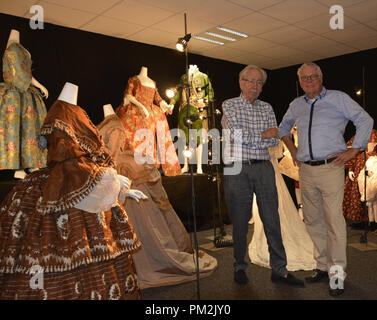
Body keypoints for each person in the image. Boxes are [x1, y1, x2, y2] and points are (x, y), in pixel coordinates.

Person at [0, 83, 144, 300]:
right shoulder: (62, 112)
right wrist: (108, 178)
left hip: (74, 177)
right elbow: (65, 154)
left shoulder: (70, 110)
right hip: (64, 180)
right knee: (57, 248)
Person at [278, 62, 374, 297]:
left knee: (334, 223)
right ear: (299, 81)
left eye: (313, 76)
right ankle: (322, 266)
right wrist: (292, 150)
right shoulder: (296, 104)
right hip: (306, 171)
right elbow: (283, 127)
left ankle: (337, 275)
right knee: (313, 221)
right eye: (304, 78)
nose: (309, 81)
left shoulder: (338, 98)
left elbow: (365, 120)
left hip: (331, 168)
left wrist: (354, 150)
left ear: (321, 78)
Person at [97, 104, 217, 289]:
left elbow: (112, 149)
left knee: (140, 223)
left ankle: (142, 262)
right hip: (114, 171)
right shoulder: (112, 118)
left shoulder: (112, 120)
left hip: (118, 169)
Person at [221, 64, 304, 287]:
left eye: (259, 83)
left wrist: (260, 136)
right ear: (241, 82)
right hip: (236, 167)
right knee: (239, 220)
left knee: (272, 219)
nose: (255, 86)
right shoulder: (229, 105)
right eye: (250, 81)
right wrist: (262, 135)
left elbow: (274, 139)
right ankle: (239, 266)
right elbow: (236, 136)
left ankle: (280, 270)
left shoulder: (267, 107)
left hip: (264, 166)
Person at [248, 142, 316, 272]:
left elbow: (277, 152)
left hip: (264, 168)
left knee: (271, 205)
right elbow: (278, 152)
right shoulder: (271, 129)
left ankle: (272, 242)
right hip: (268, 168)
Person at [0, 29, 49, 179]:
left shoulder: (18, 48)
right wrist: (38, 86)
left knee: (28, 130)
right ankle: (19, 168)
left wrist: (38, 86)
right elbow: (20, 74)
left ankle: (29, 164)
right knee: (17, 130)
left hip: (23, 94)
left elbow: (25, 72)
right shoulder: (12, 49)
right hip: (15, 95)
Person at [115, 66, 181, 176]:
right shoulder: (134, 79)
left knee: (151, 139)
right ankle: (134, 167)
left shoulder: (153, 82)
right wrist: (141, 106)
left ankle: (150, 166)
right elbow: (128, 95)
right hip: (137, 111)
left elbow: (158, 99)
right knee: (136, 138)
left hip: (150, 113)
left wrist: (165, 105)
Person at [170, 64, 214, 174]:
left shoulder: (203, 76)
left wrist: (204, 101)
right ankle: (185, 165)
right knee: (184, 138)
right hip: (184, 109)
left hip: (198, 111)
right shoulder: (184, 77)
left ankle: (199, 166)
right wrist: (172, 103)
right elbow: (179, 92)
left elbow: (210, 92)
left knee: (199, 138)